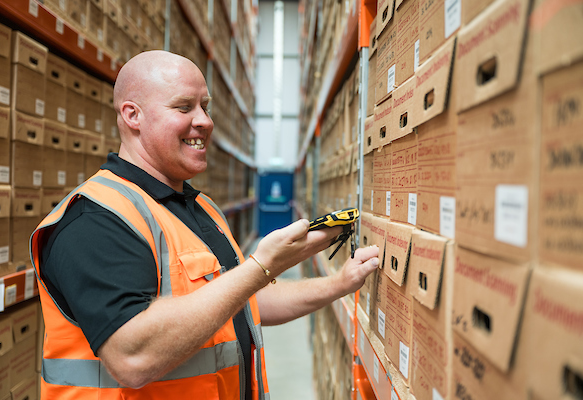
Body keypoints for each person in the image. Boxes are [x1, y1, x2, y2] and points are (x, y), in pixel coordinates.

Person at [30, 50, 379, 399]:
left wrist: (340, 283)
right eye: (184, 108)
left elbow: (244, 300)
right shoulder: (95, 218)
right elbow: (131, 357)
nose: (205, 121)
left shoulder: (203, 209)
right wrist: (261, 266)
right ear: (132, 115)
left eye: (205, 107)